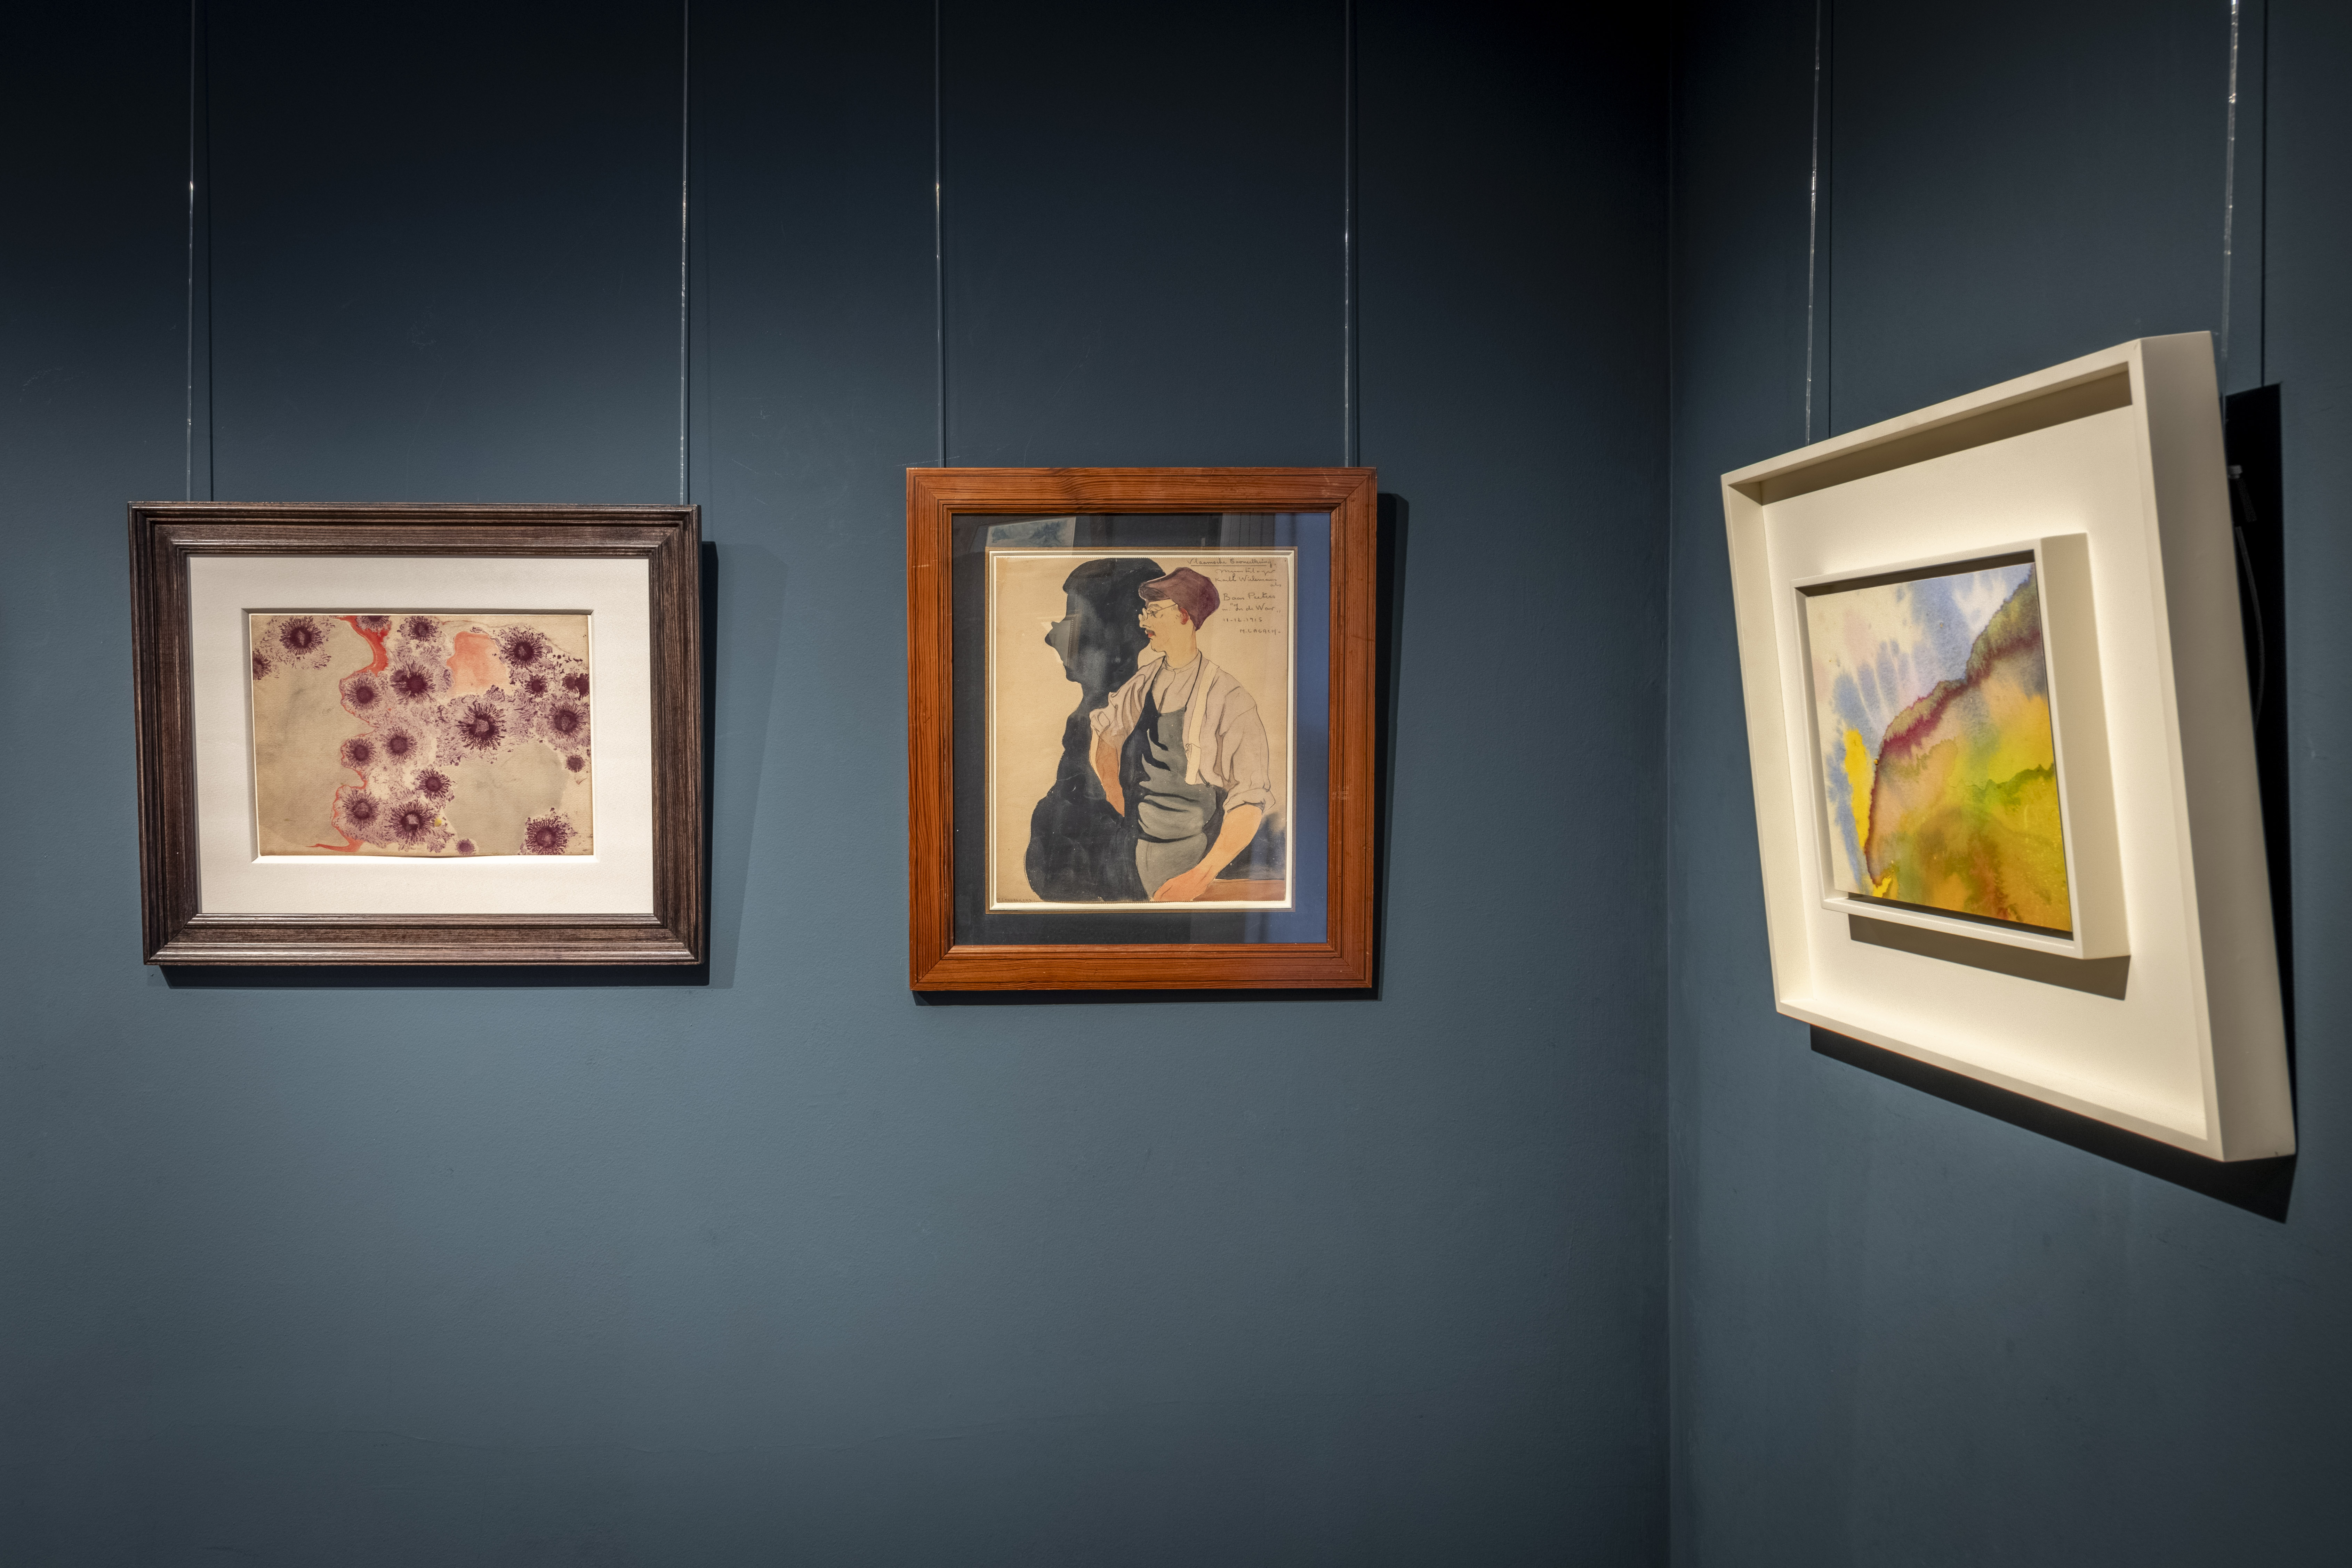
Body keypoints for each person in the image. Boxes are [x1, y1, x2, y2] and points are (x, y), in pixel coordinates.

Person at [1088, 567, 1274, 902]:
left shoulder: (1229, 698)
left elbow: (1249, 798)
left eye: (1154, 613)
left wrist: (1201, 876)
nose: (1143, 621)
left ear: (1184, 616)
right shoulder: (1144, 681)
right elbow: (1105, 734)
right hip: (1131, 851)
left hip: (1193, 861)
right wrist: (1117, 797)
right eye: (1145, 612)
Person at [1024, 557, 1164, 902]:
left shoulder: (1133, 728)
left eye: (1077, 627)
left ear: (1121, 641)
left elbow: (1125, 868)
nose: (1052, 638)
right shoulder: (1087, 720)